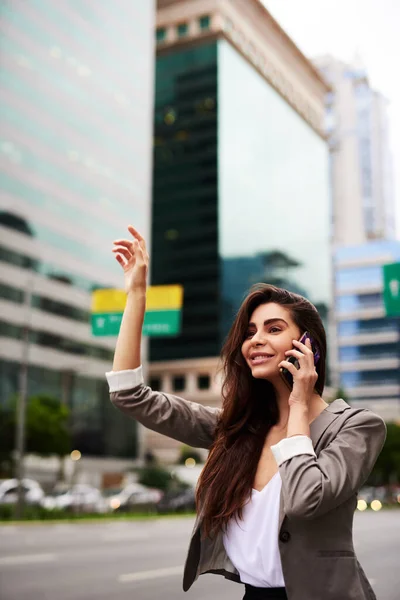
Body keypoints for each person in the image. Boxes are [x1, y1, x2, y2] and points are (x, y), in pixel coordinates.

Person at [106, 225, 386, 600]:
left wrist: (299, 403)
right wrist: (138, 294)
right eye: (250, 331)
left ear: (308, 345)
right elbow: (130, 395)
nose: (255, 340)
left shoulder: (356, 427)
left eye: (273, 329)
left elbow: (306, 500)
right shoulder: (237, 427)